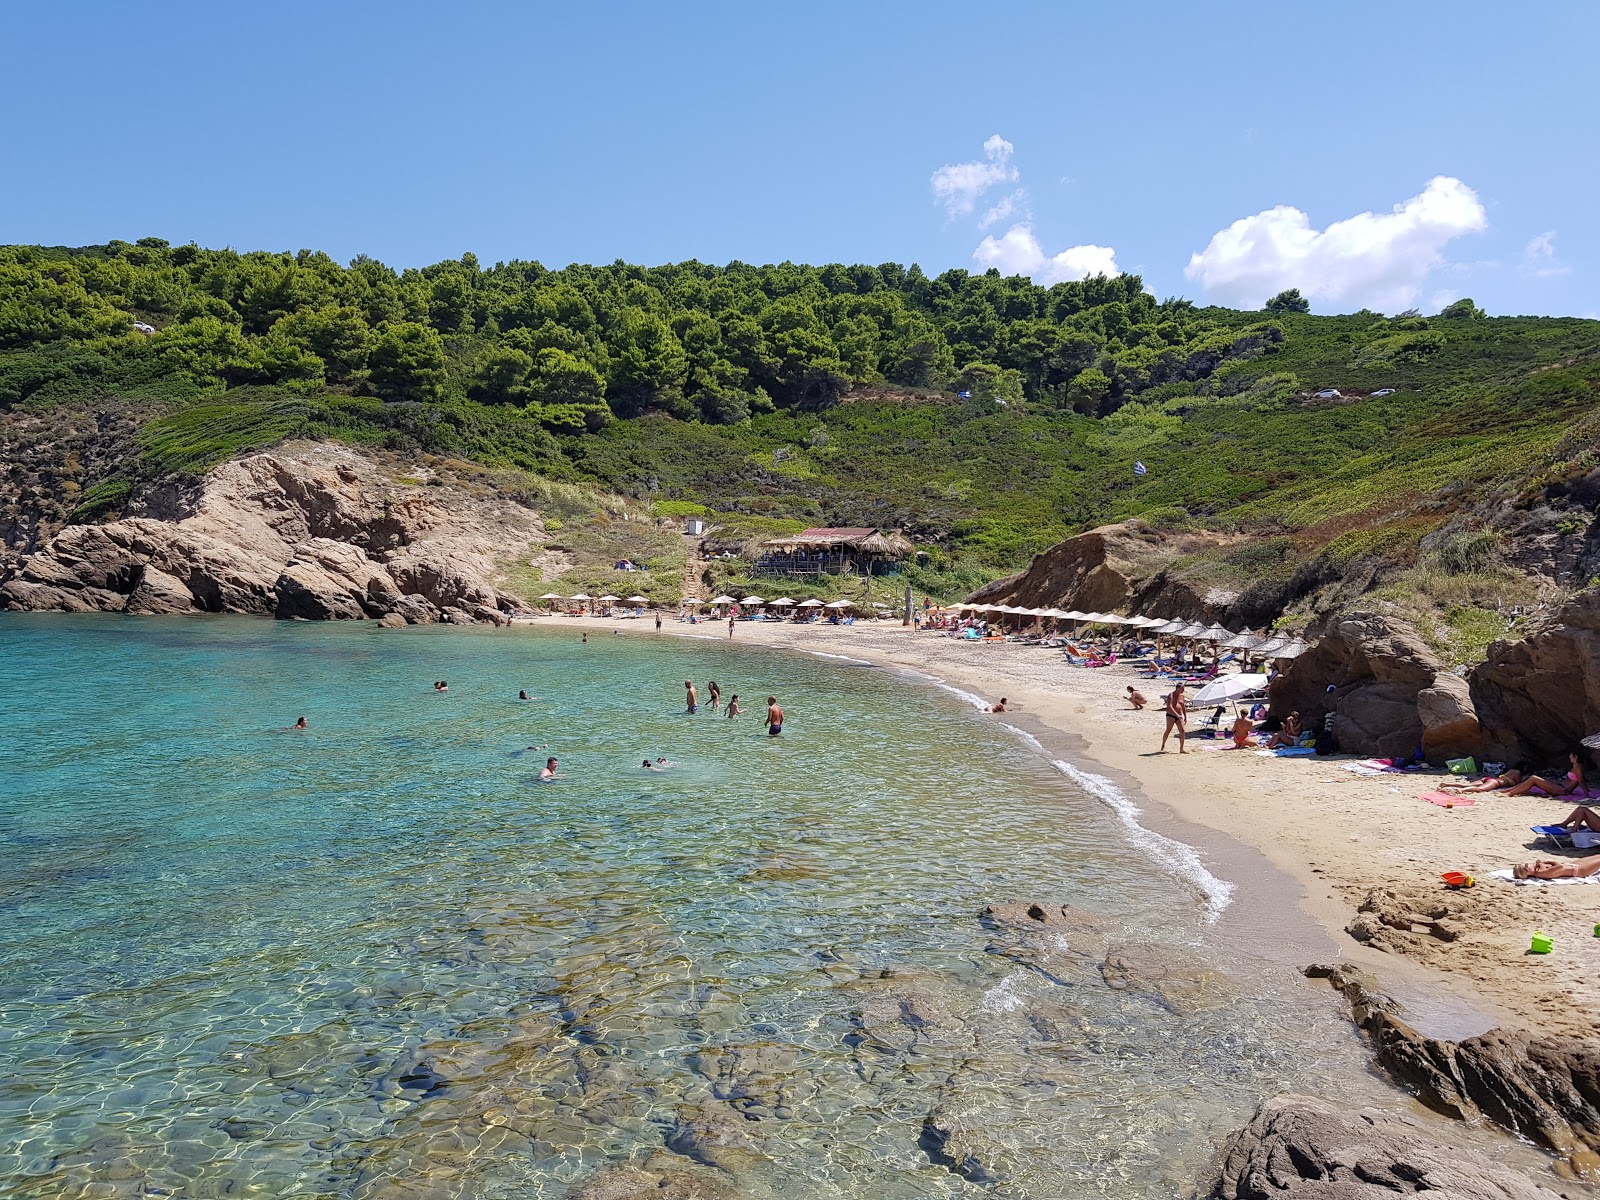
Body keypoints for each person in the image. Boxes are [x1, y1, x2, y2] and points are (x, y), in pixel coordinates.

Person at [1503, 752, 1585, 798]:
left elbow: (1581, 781)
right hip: (1560, 786)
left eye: (1571, 755)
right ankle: (1508, 790)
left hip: (1563, 790)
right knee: (1531, 779)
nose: (1569, 757)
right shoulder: (1575, 766)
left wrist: (1587, 794)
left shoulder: (1578, 767)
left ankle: (1510, 793)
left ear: (1576, 757)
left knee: (1533, 778)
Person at [1441, 768, 1524, 793]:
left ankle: (1446, 784)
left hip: (1488, 778)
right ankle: (1462, 790)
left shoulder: (1511, 770)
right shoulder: (1517, 772)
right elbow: (1518, 785)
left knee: (1467, 785)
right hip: (1495, 783)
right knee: (1480, 789)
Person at [1513, 857, 1600, 880]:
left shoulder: (1538, 868)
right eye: (1527, 865)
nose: (1530, 864)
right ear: (1527, 872)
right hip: (1580, 871)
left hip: (1573, 865)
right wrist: (1546, 861)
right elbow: (1559, 866)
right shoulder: (1541, 873)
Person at [1160, 683, 1187, 753]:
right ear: (1178, 688)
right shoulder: (1171, 695)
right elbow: (1170, 706)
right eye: (1182, 688)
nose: (1184, 689)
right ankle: (1163, 745)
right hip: (1170, 715)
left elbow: (1183, 706)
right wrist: (1177, 714)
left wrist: (1185, 716)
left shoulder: (1182, 696)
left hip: (1179, 716)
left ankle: (1181, 749)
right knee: (1168, 730)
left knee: (1182, 731)